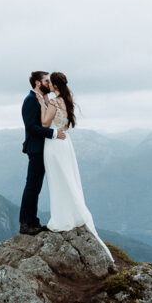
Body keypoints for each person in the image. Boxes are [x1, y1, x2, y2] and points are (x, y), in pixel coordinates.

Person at [36, 71, 112, 260]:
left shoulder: (53, 102)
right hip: (66, 143)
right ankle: (70, 214)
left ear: (54, 85)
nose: (49, 85)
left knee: (57, 181)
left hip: (54, 145)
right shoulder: (68, 100)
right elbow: (66, 125)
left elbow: (45, 123)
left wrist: (42, 105)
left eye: (50, 83)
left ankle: (62, 218)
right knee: (68, 179)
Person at [19, 71, 65, 235]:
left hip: (44, 148)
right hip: (36, 149)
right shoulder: (30, 100)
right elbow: (31, 126)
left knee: (36, 187)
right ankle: (25, 223)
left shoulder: (43, 100)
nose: (49, 83)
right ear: (38, 83)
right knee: (32, 186)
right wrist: (53, 134)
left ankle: (33, 221)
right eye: (46, 81)